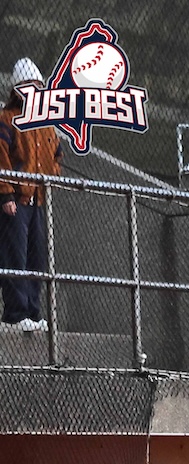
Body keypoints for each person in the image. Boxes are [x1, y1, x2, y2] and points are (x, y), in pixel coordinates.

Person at [0, 58, 60, 332]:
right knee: (15, 257)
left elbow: (57, 154)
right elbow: (1, 158)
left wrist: (52, 177)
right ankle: (15, 314)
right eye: (28, 86)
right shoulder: (7, 119)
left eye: (37, 86)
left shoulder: (46, 123)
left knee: (37, 258)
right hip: (17, 199)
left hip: (38, 200)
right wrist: (6, 195)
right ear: (17, 90)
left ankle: (34, 313)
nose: (33, 90)